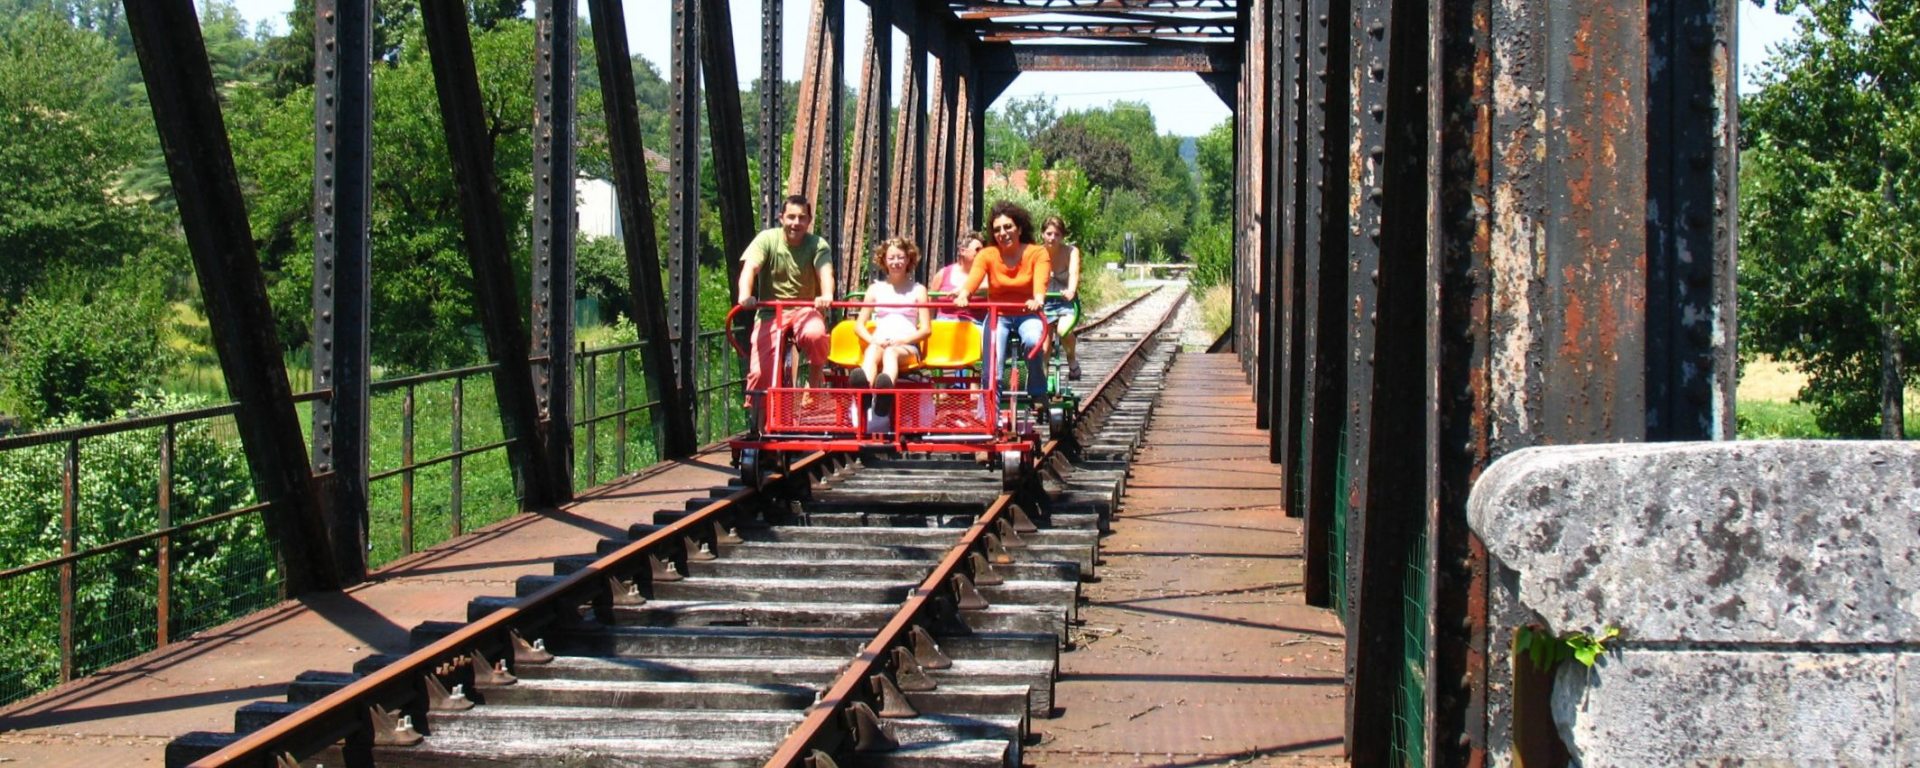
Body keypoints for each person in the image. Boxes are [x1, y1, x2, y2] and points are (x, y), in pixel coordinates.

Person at [953, 201, 1052, 406]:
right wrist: (964, 294)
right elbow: (973, 279)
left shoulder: (1037, 253)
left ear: (1019, 228)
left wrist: (1038, 299)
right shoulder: (987, 255)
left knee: (1033, 340)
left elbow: (1041, 281)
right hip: (998, 315)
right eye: (997, 229)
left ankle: (1037, 389)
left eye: (1008, 227)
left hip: (1027, 312)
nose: (1003, 233)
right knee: (993, 363)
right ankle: (988, 415)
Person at [735, 195, 833, 401]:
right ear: (781, 218)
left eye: (801, 218)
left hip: (805, 309)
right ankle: (759, 416)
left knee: (816, 335)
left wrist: (826, 295)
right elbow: (750, 268)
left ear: (809, 220)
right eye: (791, 217)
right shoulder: (767, 239)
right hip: (771, 311)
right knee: (760, 373)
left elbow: (825, 272)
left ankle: (813, 385)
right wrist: (745, 295)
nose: (796, 223)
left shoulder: (818, 244)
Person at [855, 238, 931, 389]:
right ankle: (864, 392)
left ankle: (885, 392)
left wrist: (902, 341)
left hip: (906, 346)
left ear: (909, 259)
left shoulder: (918, 290)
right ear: (884, 260)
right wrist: (873, 340)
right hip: (880, 341)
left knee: (891, 353)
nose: (896, 262)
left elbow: (926, 330)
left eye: (900, 257)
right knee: (872, 352)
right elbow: (859, 326)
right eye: (891, 258)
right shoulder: (874, 289)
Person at [1040, 216, 1084, 380]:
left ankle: (1071, 358)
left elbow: (1073, 273)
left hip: (1066, 302)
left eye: (1057, 234)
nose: (1053, 238)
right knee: (1044, 347)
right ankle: (1041, 388)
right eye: (1049, 233)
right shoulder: (1037, 253)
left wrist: (1071, 290)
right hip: (1044, 302)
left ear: (1062, 236)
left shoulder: (1071, 252)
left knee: (1063, 331)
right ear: (1042, 234)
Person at [932, 232, 988, 324]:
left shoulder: (986, 275)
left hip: (974, 325)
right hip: (944, 324)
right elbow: (931, 303)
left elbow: (992, 286)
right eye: (977, 250)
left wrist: (964, 290)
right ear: (963, 251)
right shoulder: (943, 274)